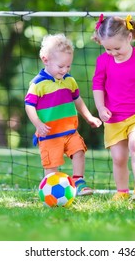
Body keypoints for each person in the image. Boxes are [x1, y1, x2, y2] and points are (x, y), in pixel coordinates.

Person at [92, 14, 135, 201]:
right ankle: (122, 192)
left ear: (129, 38)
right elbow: (97, 86)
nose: (113, 53)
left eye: (117, 48)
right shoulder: (103, 62)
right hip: (113, 117)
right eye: (108, 49)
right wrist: (100, 108)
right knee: (119, 158)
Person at [25, 33, 102, 196]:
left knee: (79, 151)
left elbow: (78, 100)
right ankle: (51, 194)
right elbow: (29, 106)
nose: (65, 70)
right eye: (61, 67)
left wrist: (89, 117)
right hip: (49, 135)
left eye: (68, 66)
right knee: (52, 167)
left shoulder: (69, 81)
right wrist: (38, 124)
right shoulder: (38, 84)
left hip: (70, 131)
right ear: (46, 60)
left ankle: (79, 182)